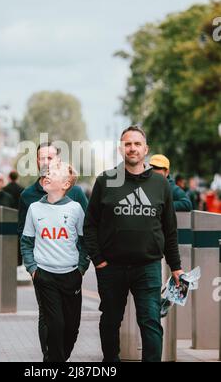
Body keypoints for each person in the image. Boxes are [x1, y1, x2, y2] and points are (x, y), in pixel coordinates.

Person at [83, 126, 184, 362]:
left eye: (137, 144)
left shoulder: (160, 185)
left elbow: (169, 230)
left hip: (147, 267)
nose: (132, 148)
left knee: (150, 321)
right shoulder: (106, 181)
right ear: (121, 149)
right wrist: (98, 260)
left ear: (146, 149)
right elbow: (89, 225)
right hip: (111, 267)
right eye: (128, 144)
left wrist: (176, 267)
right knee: (110, 320)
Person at [17, 142, 88, 362]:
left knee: (70, 327)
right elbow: (25, 236)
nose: (46, 163)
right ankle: (50, 358)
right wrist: (32, 268)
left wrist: (81, 268)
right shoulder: (29, 198)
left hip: (70, 273)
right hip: (44, 272)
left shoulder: (75, 197)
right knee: (50, 320)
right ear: (36, 161)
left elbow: (86, 235)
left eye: (51, 159)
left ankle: (56, 357)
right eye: (42, 158)